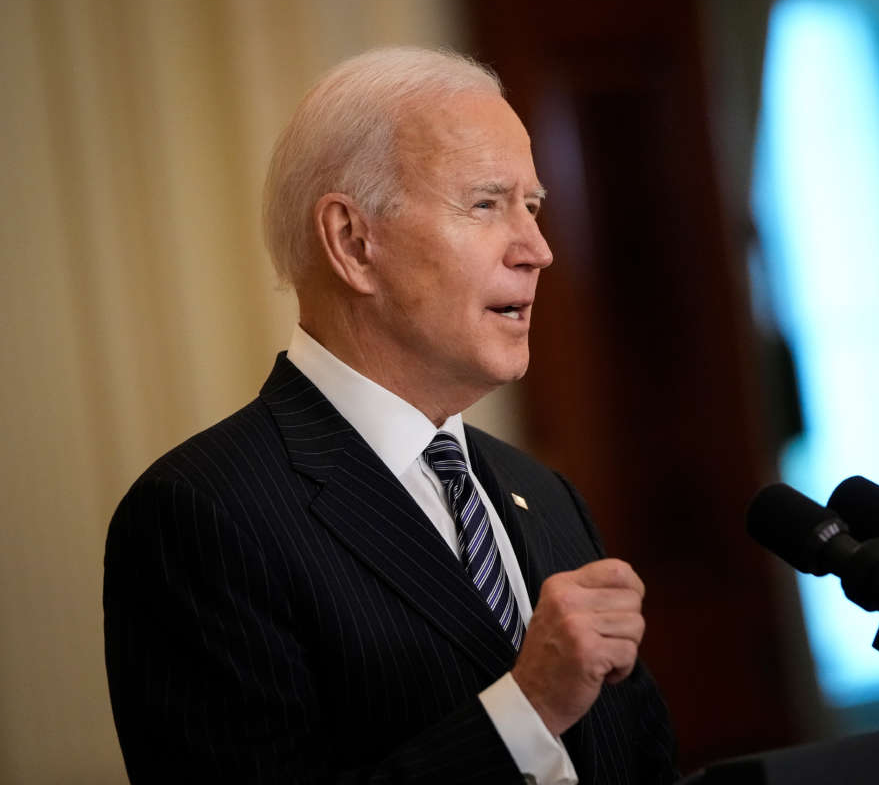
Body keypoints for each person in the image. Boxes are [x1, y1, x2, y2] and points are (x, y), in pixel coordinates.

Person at [103, 47, 677, 785]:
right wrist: (525, 712)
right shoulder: (201, 516)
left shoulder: (546, 497)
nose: (539, 250)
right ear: (352, 242)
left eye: (532, 207)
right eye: (486, 203)